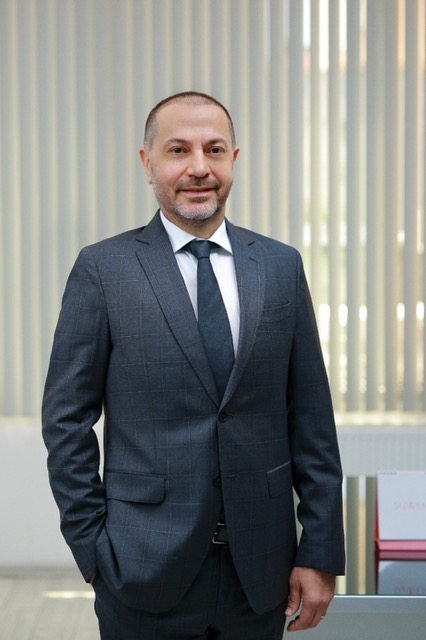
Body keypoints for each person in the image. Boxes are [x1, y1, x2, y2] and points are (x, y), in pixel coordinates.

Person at [42, 91, 345, 640]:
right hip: (140, 568)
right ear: (147, 162)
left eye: (215, 149)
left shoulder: (280, 266)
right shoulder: (104, 269)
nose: (199, 168)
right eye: (178, 150)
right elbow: (66, 420)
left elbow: (312, 420)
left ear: (234, 158)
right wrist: (93, 550)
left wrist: (319, 551)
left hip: (263, 571)